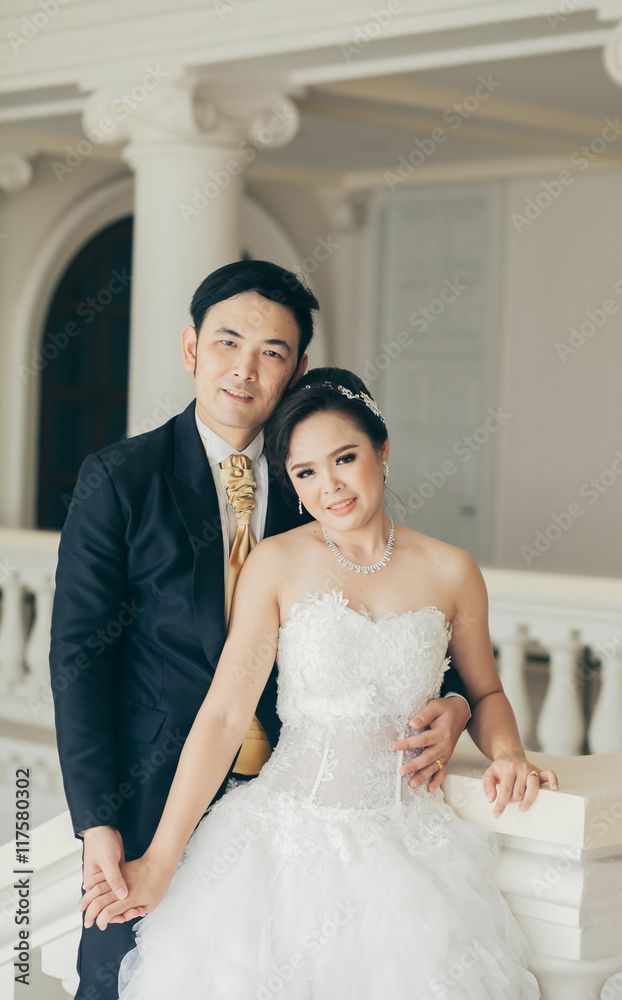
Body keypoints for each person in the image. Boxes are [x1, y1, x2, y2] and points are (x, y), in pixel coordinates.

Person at [49, 263, 473, 1000]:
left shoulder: (316, 481)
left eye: (271, 352)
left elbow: (407, 615)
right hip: (153, 790)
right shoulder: (121, 479)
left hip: (294, 806)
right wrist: (98, 823)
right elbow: (79, 660)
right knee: (125, 978)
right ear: (191, 348)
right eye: (227, 342)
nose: (244, 369)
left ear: (298, 369)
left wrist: (459, 704)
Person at [79, 367, 557, 1000]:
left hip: (410, 851)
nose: (329, 485)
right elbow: (224, 716)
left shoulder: (451, 570)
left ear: (382, 451)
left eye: (345, 458)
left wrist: (508, 753)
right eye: (305, 472)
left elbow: (486, 690)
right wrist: (161, 861)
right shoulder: (276, 564)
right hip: (280, 850)